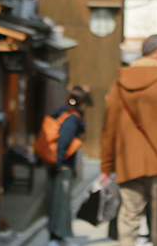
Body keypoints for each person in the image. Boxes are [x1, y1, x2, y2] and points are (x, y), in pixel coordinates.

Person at [101, 33, 157, 246]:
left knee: (129, 215)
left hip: (126, 162)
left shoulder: (119, 83)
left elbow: (108, 128)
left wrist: (106, 165)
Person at [46, 85, 92, 246]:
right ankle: (56, 237)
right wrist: (58, 162)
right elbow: (64, 141)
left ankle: (56, 236)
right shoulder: (72, 118)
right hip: (61, 165)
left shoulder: (62, 112)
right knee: (61, 201)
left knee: (55, 201)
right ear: (83, 102)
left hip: (54, 163)